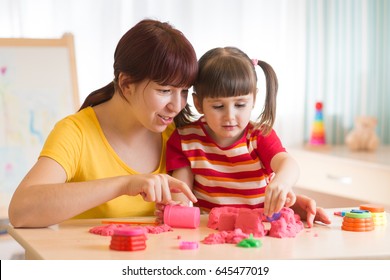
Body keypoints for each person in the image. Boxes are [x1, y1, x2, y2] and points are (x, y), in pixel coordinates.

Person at [8, 19, 199, 228]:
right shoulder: (76, 133)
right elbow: (21, 211)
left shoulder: (179, 135)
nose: (177, 105)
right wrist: (124, 184)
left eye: (184, 92)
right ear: (126, 84)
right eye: (164, 91)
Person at [166, 47, 331, 227]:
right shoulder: (186, 139)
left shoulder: (259, 136)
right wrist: (177, 208)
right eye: (218, 106)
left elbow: (289, 164)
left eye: (240, 104)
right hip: (212, 231)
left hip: (259, 229)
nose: (230, 116)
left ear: (253, 99)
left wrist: (282, 183)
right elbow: (181, 193)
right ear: (198, 103)